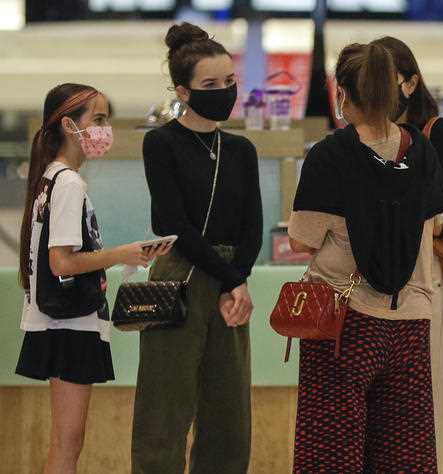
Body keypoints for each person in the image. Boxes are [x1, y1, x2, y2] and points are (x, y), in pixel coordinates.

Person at [288, 40, 443, 472]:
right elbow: (433, 226)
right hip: (411, 319)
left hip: (344, 322)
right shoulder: (420, 150)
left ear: (342, 91)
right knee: (404, 456)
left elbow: (303, 238)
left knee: (331, 454)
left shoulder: (330, 155)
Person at [16, 83, 169, 474]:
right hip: (69, 324)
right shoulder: (67, 182)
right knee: (67, 445)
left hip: (59, 321)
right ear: (69, 125)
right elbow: (62, 263)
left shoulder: (51, 179)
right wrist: (123, 254)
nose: (105, 129)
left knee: (65, 443)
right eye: (97, 119)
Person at [132, 22, 262, 474]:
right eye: (210, 84)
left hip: (231, 281)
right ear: (183, 91)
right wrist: (232, 279)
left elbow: (252, 227)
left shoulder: (241, 149)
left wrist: (238, 279)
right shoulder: (161, 142)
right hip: (177, 275)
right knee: (164, 410)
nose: (224, 91)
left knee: (229, 414)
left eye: (230, 81)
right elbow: (172, 224)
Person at [375, 35, 443, 473]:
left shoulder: (437, 134)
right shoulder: (364, 137)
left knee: (427, 403)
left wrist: (420, 217)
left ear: (410, 83)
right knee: (387, 415)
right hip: (377, 286)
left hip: (428, 283)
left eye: (384, 81)